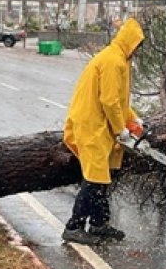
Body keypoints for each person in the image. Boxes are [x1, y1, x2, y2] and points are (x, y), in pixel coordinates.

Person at [61, 17, 145, 245]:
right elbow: (109, 100)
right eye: (137, 45)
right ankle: (74, 226)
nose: (138, 50)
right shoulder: (112, 61)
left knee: (103, 179)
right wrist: (121, 129)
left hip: (100, 126)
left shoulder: (120, 60)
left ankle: (99, 223)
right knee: (94, 179)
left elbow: (119, 100)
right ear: (130, 42)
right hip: (91, 125)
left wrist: (132, 119)